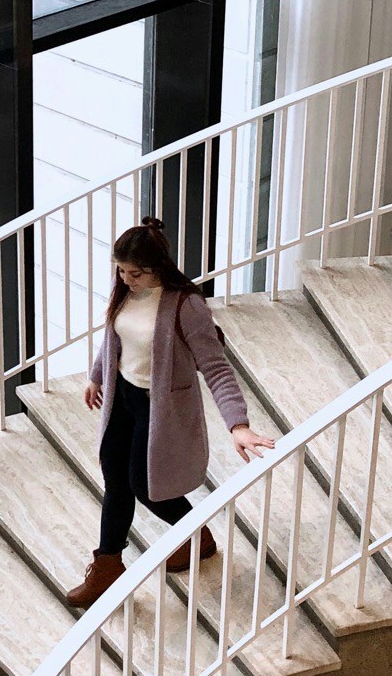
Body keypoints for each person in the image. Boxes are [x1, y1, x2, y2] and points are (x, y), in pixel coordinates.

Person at [66, 216, 273, 610]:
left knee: (146, 486)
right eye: (122, 270)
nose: (127, 279)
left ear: (157, 267)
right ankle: (107, 567)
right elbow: (113, 336)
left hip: (158, 406)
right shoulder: (124, 290)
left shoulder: (186, 305)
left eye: (136, 273)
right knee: (116, 481)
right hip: (122, 398)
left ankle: (196, 537)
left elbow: (215, 366)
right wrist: (97, 376)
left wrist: (238, 424)